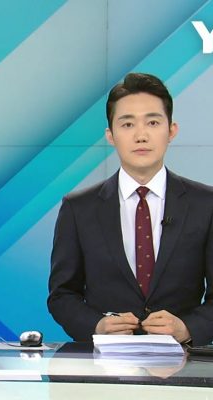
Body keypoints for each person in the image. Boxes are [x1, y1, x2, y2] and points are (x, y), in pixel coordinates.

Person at [47, 72, 213, 346]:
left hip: (183, 363)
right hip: (104, 364)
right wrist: (96, 325)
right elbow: (62, 295)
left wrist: (187, 328)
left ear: (171, 130)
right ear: (110, 136)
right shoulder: (78, 208)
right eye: (127, 124)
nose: (141, 135)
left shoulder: (205, 204)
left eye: (153, 122)